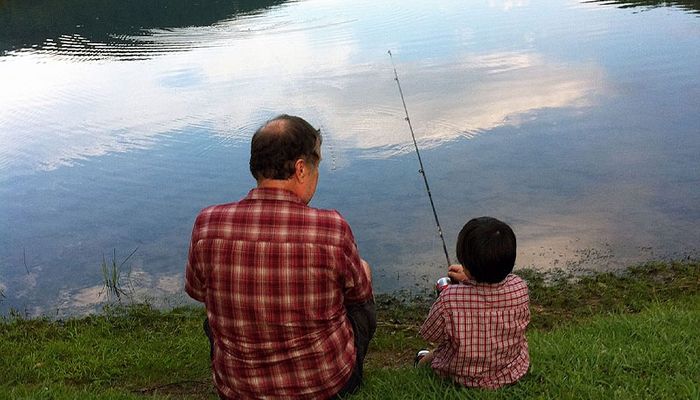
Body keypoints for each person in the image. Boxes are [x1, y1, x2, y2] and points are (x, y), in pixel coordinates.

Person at [185, 114, 376, 399]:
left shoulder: (207, 223)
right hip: (325, 387)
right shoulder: (332, 228)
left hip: (238, 391)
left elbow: (198, 292)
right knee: (363, 277)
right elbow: (358, 294)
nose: (317, 174)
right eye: (316, 164)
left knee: (212, 317)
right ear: (301, 169)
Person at [416, 216, 530, 389]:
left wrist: (445, 297)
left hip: (461, 376)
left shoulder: (449, 299)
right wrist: (470, 277)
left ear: (465, 263)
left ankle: (419, 363)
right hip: (510, 370)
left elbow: (431, 335)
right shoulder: (519, 287)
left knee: (438, 351)